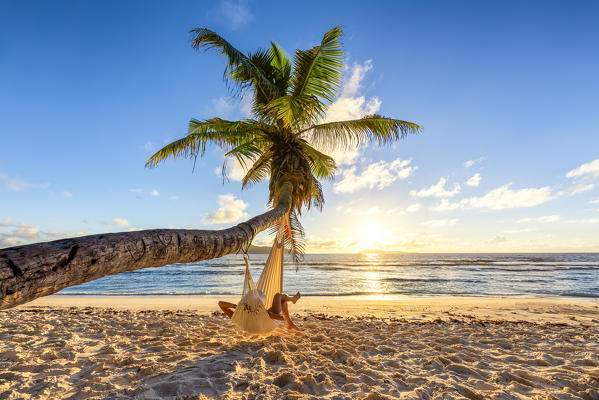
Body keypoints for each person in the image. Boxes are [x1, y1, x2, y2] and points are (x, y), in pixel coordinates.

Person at [218, 291, 301, 330]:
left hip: (255, 325)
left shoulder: (239, 318)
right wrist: (269, 313)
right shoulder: (261, 312)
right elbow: (280, 318)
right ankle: (293, 299)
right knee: (278, 295)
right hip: (266, 322)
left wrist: (235, 306)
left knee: (283, 304)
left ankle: (290, 324)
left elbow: (220, 304)